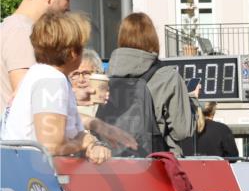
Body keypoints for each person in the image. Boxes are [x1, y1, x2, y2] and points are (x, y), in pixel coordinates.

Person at [1, 12, 110, 164]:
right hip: (35, 178)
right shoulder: (52, 80)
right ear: (73, 52)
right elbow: (50, 145)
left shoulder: (41, 74)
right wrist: (83, 143)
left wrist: (91, 141)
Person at [105, 13, 198, 156]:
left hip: (115, 166)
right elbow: (182, 131)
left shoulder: (105, 77)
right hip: (155, 164)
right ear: (153, 38)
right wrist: (193, 104)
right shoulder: (168, 77)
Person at [1, 0, 77, 114]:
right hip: (26, 138)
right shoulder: (21, 32)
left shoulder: (15, 28)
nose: (69, 7)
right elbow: (31, 101)